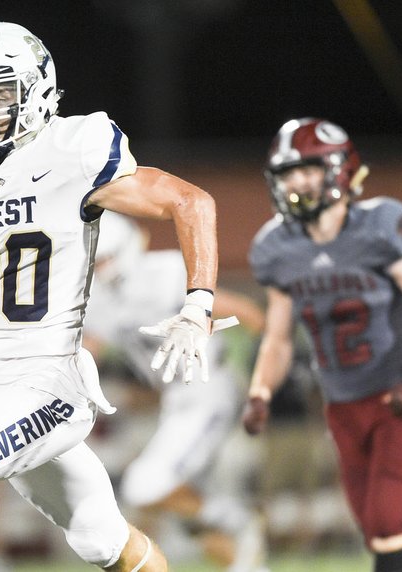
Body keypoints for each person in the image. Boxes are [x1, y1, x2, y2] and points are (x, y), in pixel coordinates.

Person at [0, 21, 232, 572]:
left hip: (49, 385)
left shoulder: (73, 152)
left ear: (37, 90)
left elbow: (191, 202)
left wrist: (198, 304)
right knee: (101, 541)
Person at [242, 117, 402, 572]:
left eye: (306, 170)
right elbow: (278, 339)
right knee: (383, 534)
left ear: (338, 170)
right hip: (341, 407)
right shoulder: (277, 248)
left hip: (400, 397)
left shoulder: (379, 227)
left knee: (388, 522)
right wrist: (261, 391)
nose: (295, 183)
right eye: (287, 174)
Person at [83, 211, 268, 571]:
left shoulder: (163, 274)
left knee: (145, 486)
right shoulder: (99, 299)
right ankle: (245, 563)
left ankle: (238, 519)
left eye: (107, 258)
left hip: (208, 391)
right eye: (97, 260)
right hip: (176, 402)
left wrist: (265, 378)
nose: (103, 268)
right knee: (179, 506)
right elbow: (90, 348)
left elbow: (244, 311)